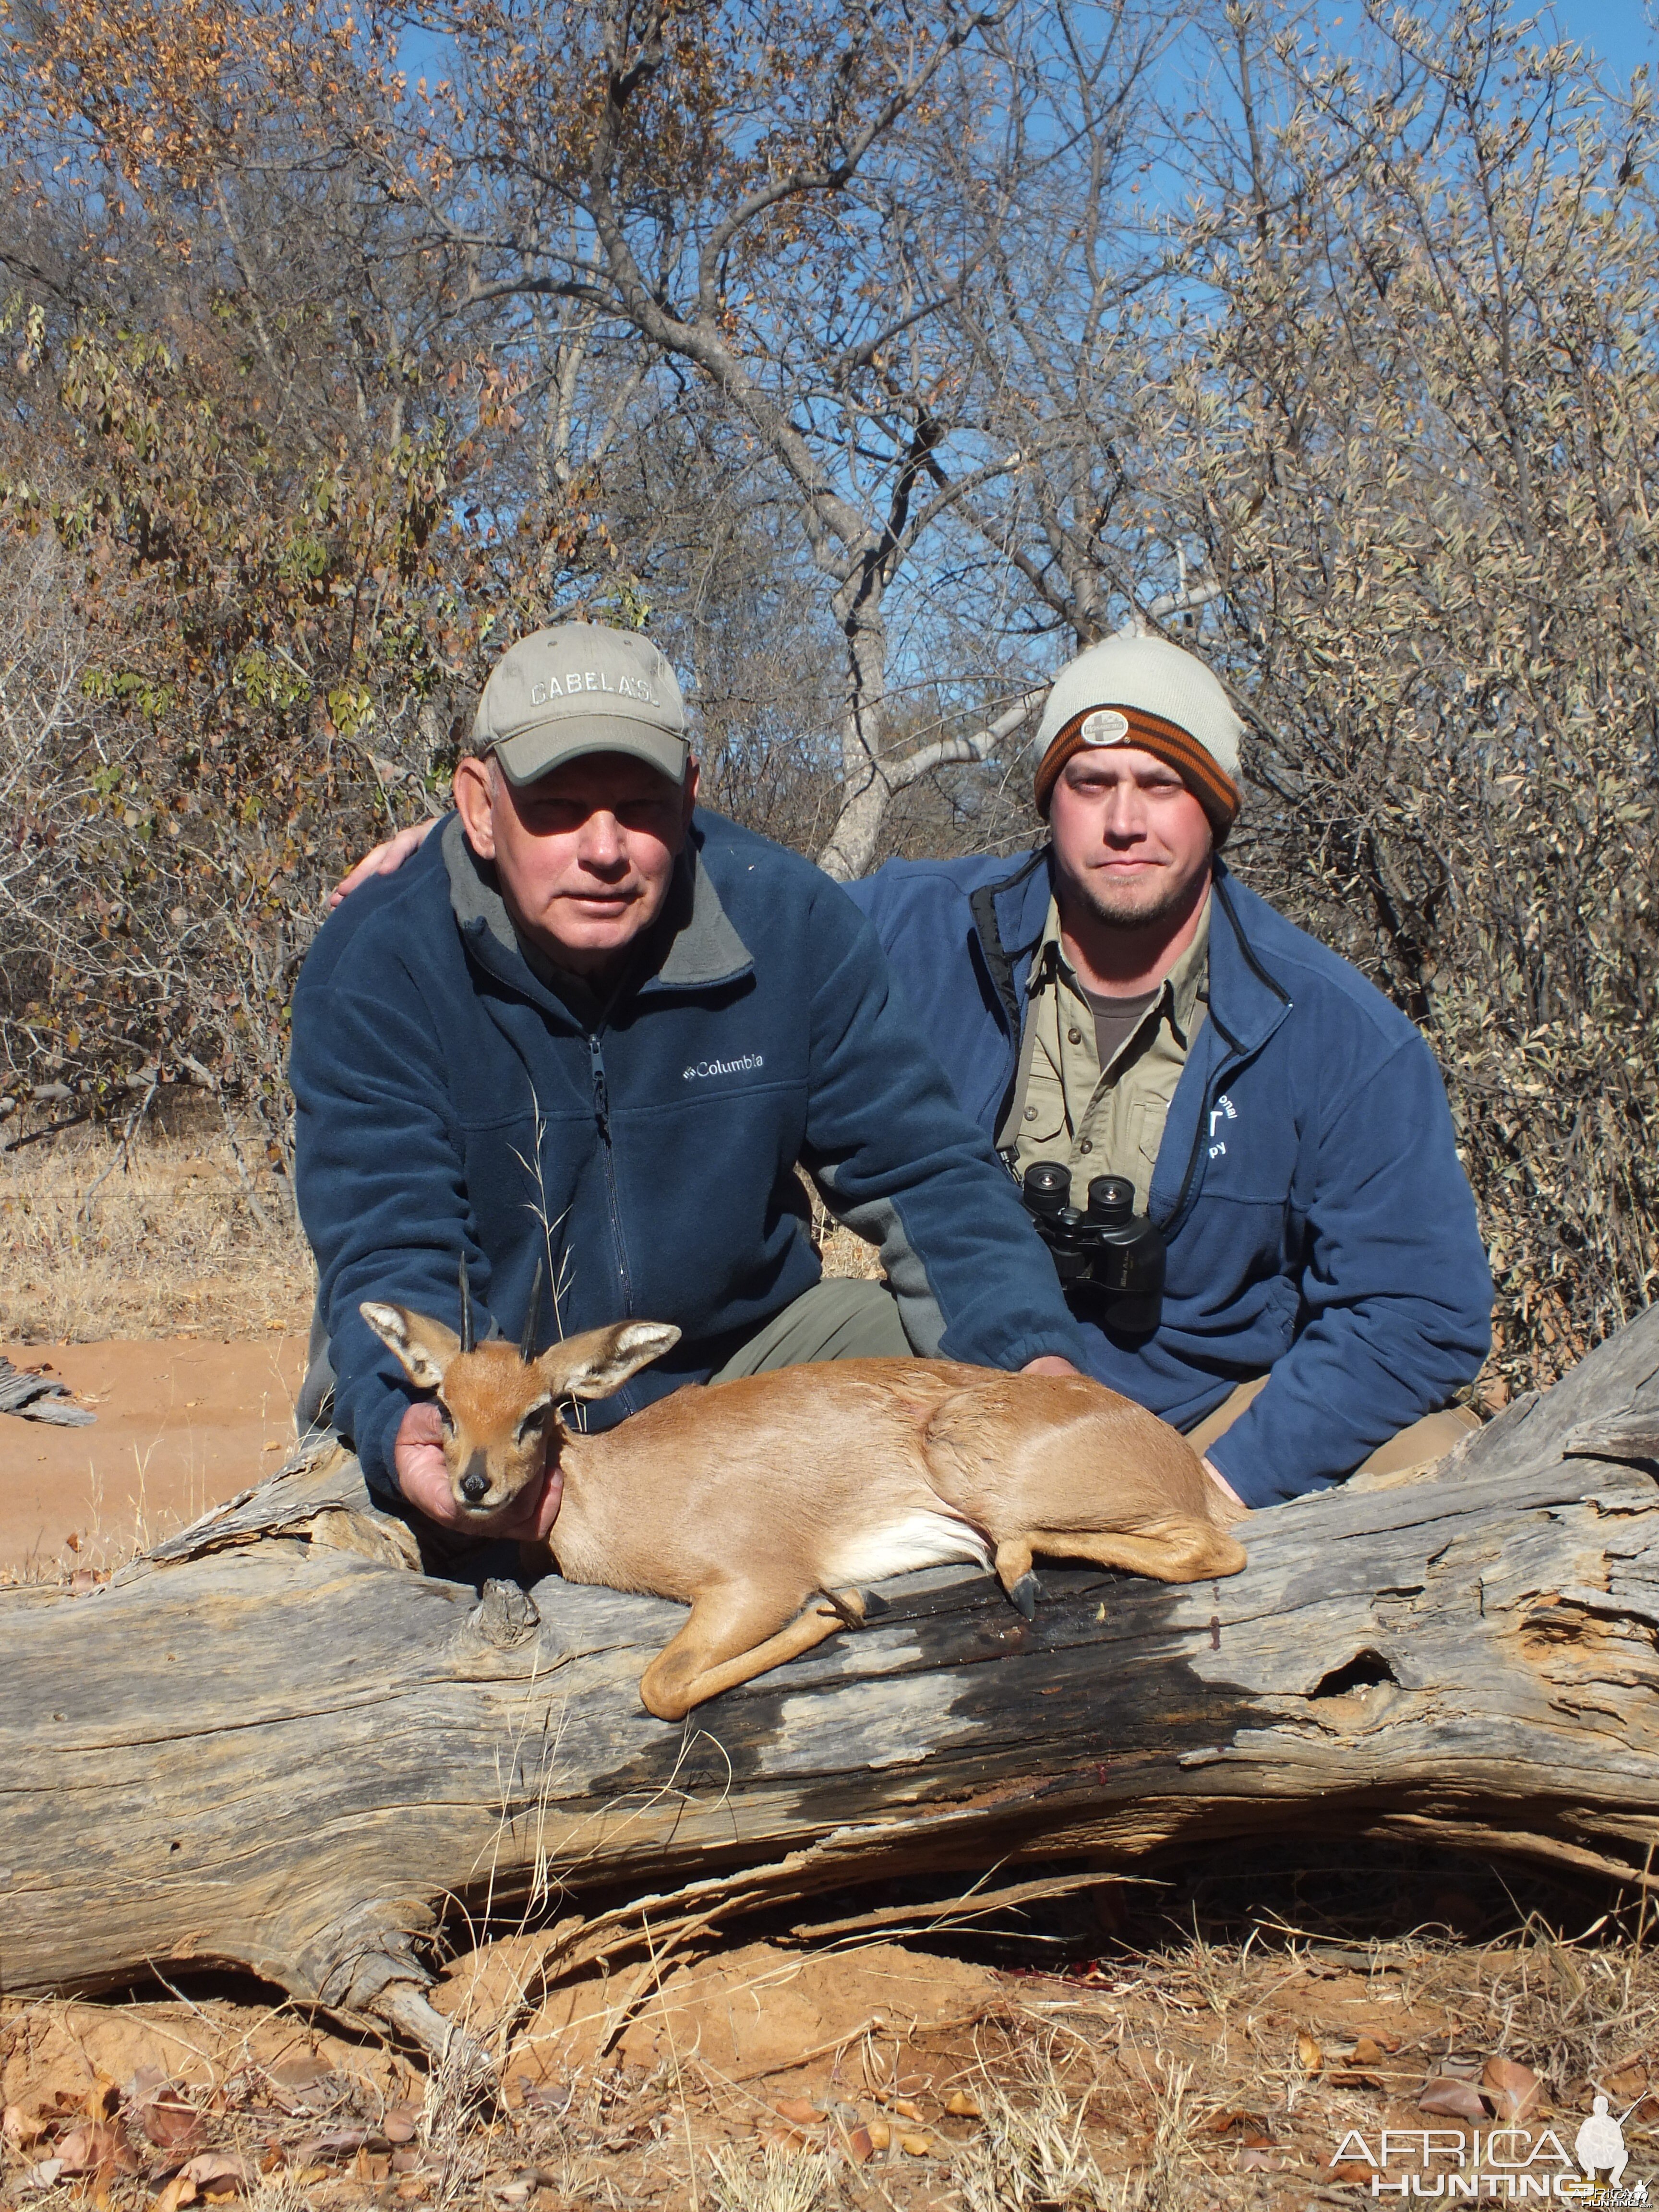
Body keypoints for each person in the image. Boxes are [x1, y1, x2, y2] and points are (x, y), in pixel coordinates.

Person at [291, 622, 1090, 1541]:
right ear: (481, 806)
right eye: (555, 805)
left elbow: (927, 1174)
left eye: (639, 804)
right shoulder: (378, 958)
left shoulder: (788, 920)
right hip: (485, 1392)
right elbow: (391, 1240)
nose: (603, 847)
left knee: (955, 1388)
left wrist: (1031, 1371)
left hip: (731, 1371)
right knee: (386, 1520)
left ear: (691, 796)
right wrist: (415, 1431)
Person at [849, 631, 1493, 1510]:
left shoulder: (1341, 1034)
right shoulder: (912, 930)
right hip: (952, 1396)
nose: (1125, 821)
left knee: (1442, 1458)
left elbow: (1420, 1310)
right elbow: (746, 944)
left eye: (1162, 785)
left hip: (1201, 1428)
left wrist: (1217, 1488)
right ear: (1051, 799)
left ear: (1215, 809)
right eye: (1092, 782)